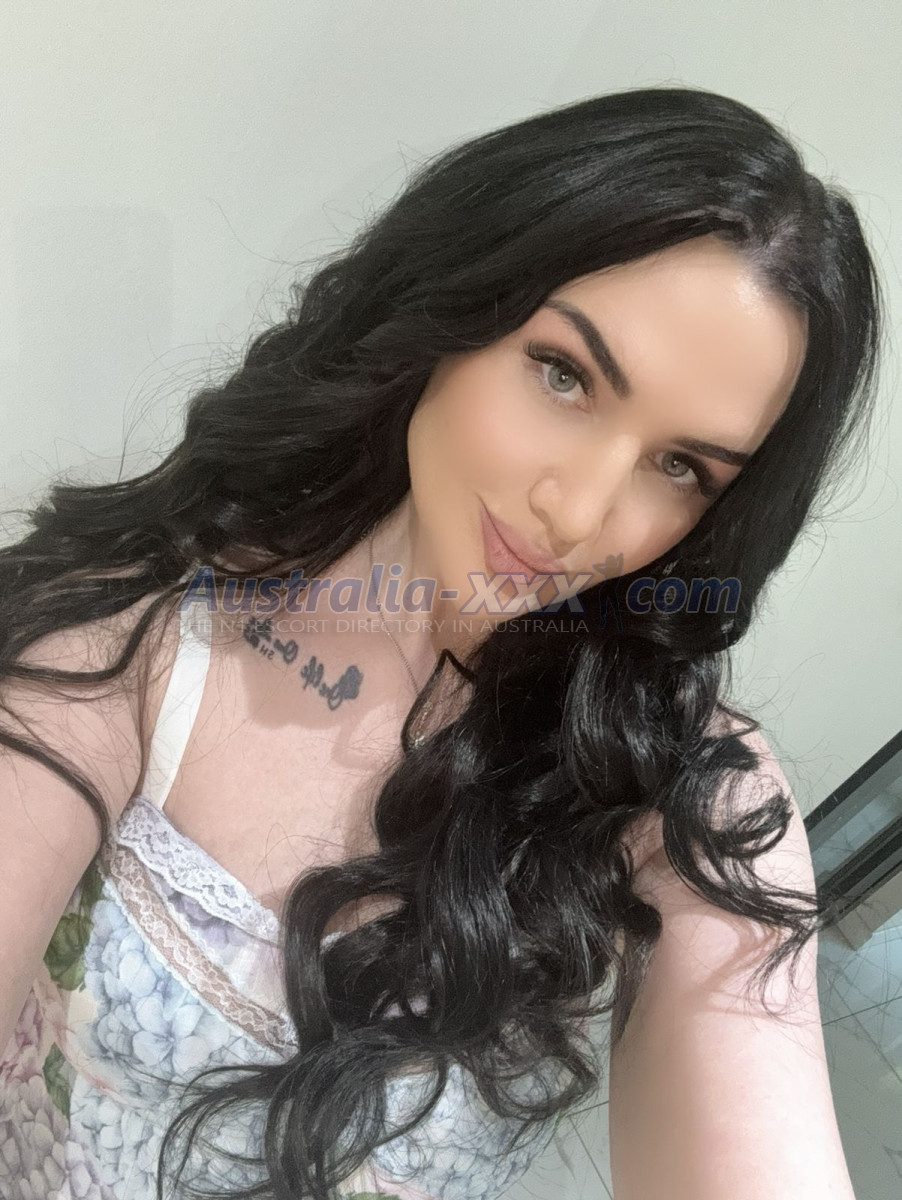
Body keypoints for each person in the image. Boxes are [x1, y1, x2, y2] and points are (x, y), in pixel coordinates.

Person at [0, 85, 884, 1200]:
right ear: (454, 307)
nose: (577, 513)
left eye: (679, 467)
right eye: (563, 375)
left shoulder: (676, 792)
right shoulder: (138, 626)